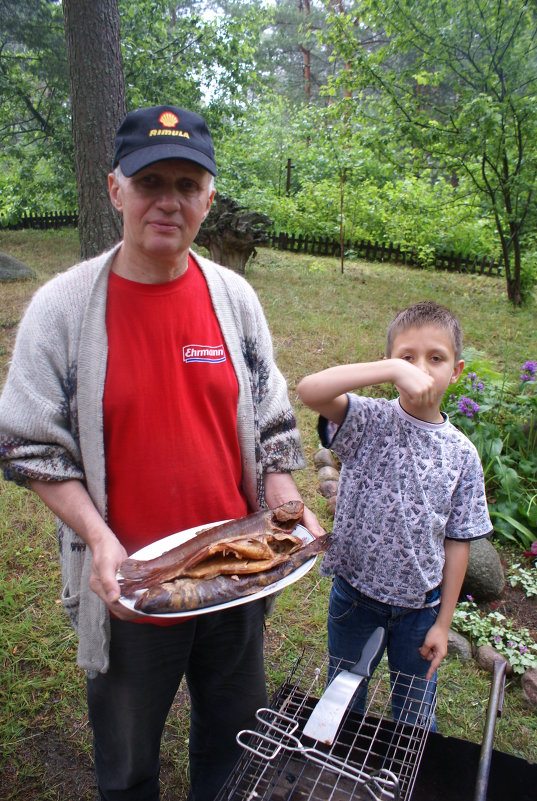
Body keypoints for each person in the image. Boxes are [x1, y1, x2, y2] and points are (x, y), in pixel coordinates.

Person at [0, 104, 323, 801]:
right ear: (116, 190)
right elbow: (28, 443)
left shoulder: (234, 299)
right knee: (126, 754)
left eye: (186, 183)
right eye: (151, 183)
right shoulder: (63, 309)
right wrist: (99, 540)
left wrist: (287, 513)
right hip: (131, 583)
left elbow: (270, 426)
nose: (168, 201)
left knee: (235, 735)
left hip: (238, 568)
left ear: (208, 196)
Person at [297, 300, 492, 728]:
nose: (420, 369)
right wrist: (389, 369)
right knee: (343, 707)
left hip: (420, 611)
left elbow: (458, 541)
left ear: (456, 371)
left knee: (415, 720)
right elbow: (310, 390)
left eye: (435, 358)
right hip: (354, 598)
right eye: (408, 357)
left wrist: (444, 624)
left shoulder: (462, 454)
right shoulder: (367, 420)